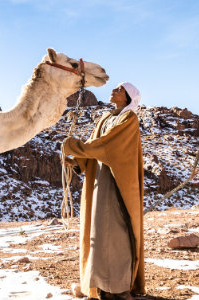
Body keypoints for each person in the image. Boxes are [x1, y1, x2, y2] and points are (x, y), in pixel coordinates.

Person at [63, 82, 145, 300]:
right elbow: (95, 144)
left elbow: (108, 146)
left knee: (117, 231)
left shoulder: (129, 120)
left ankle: (119, 288)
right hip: (101, 179)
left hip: (117, 183)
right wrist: (78, 161)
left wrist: (76, 146)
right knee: (99, 233)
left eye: (119, 88)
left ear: (128, 96)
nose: (114, 90)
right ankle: (101, 286)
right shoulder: (106, 118)